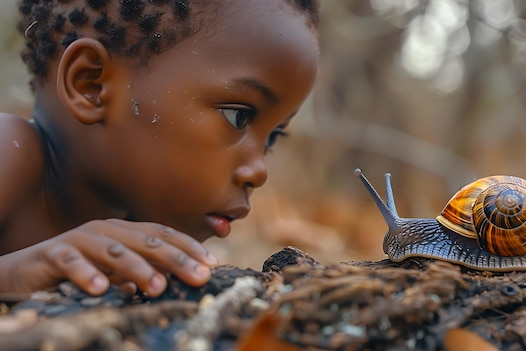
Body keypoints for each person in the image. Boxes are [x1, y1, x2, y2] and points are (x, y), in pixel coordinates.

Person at [0, 0, 320, 297]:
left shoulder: (139, 233)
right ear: (90, 86)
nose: (259, 172)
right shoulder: (9, 151)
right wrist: (15, 276)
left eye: (273, 137)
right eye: (238, 116)